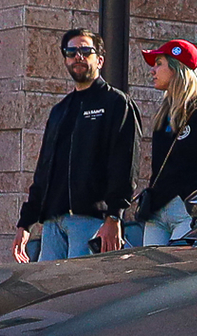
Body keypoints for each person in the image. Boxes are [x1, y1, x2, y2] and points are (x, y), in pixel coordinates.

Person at [19, 28, 139, 261]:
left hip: (91, 222)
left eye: (86, 51)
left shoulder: (116, 103)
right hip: (53, 224)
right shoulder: (60, 110)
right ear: (65, 59)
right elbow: (43, 170)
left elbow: (125, 164)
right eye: (71, 51)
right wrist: (25, 223)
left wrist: (114, 216)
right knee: (50, 291)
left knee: (83, 294)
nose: (78, 57)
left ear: (100, 60)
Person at [131, 39, 197, 246]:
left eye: (159, 63)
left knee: (176, 270)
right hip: (157, 212)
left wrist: (196, 200)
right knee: (150, 274)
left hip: (187, 211)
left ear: (177, 68)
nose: (152, 70)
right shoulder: (164, 114)